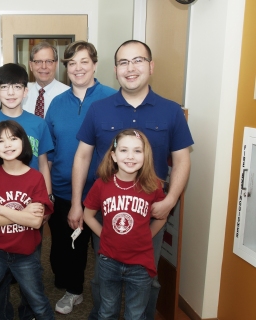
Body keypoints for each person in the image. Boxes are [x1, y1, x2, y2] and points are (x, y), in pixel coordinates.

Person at [72, 40, 193, 319]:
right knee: (104, 277)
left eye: (137, 60)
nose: (130, 68)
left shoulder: (171, 111)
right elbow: (82, 157)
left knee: (147, 279)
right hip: (105, 212)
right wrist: (78, 203)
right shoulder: (98, 109)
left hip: (150, 213)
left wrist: (171, 200)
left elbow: (183, 160)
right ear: (115, 70)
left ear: (150, 66)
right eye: (123, 62)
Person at [0, 63, 54, 319]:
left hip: (31, 206)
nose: (10, 92)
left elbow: (43, 164)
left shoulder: (38, 124)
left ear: (25, 91)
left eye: (17, 87)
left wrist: (47, 200)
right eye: (4, 87)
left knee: (31, 272)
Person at [44, 40, 116, 315]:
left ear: (95, 65)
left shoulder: (112, 99)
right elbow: (48, 154)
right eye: (71, 63)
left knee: (105, 250)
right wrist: (47, 189)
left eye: (84, 61)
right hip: (64, 189)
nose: (78, 68)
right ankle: (73, 290)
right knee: (67, 248)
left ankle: (105, 297)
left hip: (104, 191)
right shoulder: (57, 103)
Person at [83, 129, 166, 319]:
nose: (130, 156)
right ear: (113, 155)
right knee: (107, 311)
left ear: (145, 156)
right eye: (124, 150)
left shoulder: (153, 185)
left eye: (137, 151)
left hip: (140, 264)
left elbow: (161, 217)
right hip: (108, 261)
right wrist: (106, 234)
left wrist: (146, 236)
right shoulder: (102, 184)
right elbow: (88, 215)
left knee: (135, 314)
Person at [22, 41, 69, 118]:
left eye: (49, 61)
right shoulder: (21, 93)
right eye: (38, 62)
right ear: (31, 65)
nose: (44, 66)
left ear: (56, 64)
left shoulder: (67, 94)